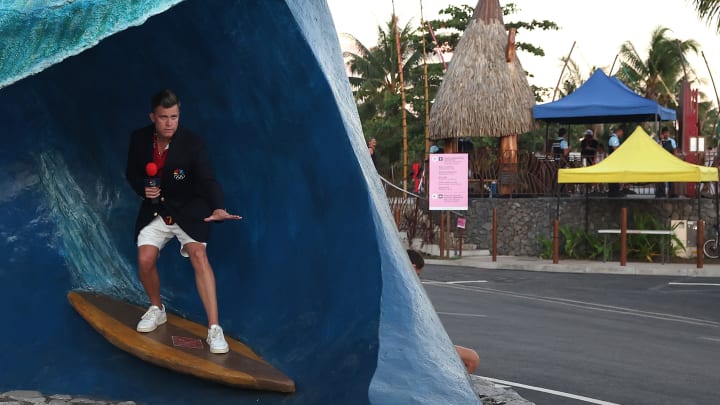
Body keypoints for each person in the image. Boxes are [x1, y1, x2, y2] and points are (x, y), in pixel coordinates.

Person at [125, 89, 242, 354]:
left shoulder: (193, 143)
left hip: (190, 209)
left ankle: (214, 329)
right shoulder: (140, 139)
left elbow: (208, 180)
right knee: (145, 259)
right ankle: (157, 308)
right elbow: (131, 173)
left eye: (174, 117)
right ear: (153, 117)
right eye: (164, 117)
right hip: (157, 209)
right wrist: (143, 189)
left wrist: (219, 207)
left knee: (199, 255)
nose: (169, 123)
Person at [407, 250, 480, 374]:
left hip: (420, 341)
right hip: (417, 345)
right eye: (418, 275)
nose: (418, 279)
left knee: (471, 357)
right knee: (472, 358)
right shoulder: (408, 291)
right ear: (413, 268)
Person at [656, 127, 677, 197]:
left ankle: (672, 193)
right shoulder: (659, 141)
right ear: (663, 134)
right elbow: (657, 149)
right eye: (665, 133)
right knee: (661, 177)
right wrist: (660, 140)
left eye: (668, 133)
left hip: (670, 161)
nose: (667, 134)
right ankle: (661, 192)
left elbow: (674, 151)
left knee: (671, 178)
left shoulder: (672, 141)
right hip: (661, 161)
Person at [607, 127, 624, 196]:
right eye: (622, 132)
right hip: (613, 160)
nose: (622, 134)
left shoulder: (614, 138)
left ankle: (614, 191)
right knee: (613, 176)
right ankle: (614, 191)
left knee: (614, 175)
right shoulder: (614, 138)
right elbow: (615, 149)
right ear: (619, 131)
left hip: (613, 160)